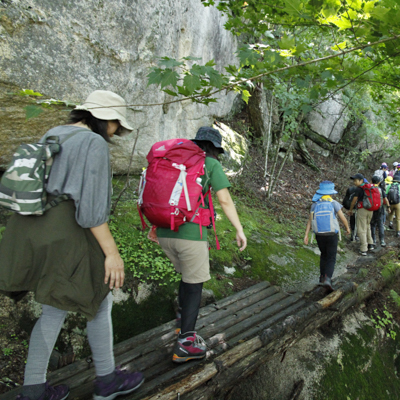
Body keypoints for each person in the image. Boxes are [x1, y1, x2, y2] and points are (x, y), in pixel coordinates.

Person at [0, 90, 144, 400]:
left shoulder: (55, 132)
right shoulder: (92, 143)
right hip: (67, 230)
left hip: (33, 226)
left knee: (57, 307)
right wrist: (112, 254)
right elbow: (91, 212)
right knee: (97, 294)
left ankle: (36, 388)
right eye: (117, 124)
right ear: (105, 119)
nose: (116, 131)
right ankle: (104, 382)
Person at [149, 126, 247, 363]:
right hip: (190, 235)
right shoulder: (210, 164)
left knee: (186, 277)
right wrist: (239, 228)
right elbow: (224, 199)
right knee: (194, 286)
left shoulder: (175, 161)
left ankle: (182, 326)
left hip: (164, 232)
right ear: (213, 148)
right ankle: (185, 344)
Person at [303, 181, 350, 291]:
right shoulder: (333, 203)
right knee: (331, 257)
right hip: (331, 234)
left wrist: (306, 234)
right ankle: (327, 279)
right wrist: (347, 228)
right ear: (330, 193)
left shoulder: (315, 204)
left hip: (319, 234)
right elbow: (342, 217)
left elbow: (310, 221)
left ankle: (322, 278)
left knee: (323, 255)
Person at [348, 173, 374, 256]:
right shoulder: (370, 187)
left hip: (362, 209)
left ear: (361, 180)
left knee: (361, 229)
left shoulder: (359, 189)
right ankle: (370, 244)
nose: (354, 182)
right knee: (367, 226)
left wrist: (350, 210)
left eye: (356, 181)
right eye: (354, 181)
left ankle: (363, 249)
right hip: (371, 209)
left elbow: (354, 200)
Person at [370, 175, 389, 247]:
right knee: (380, 224)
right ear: (379, 182)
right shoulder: (380, 189)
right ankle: (382, 241)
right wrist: (388, 207)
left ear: (371, 181)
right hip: (380, 209)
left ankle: (373, 240)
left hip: (371, 209)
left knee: (372, 225)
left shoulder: (369, 189)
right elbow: (385, 199)